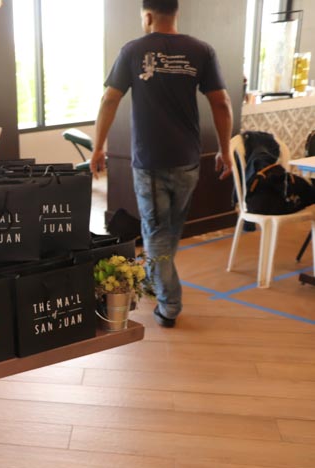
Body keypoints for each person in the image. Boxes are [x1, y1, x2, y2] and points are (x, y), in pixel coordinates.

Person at [90, 0, 233, 328]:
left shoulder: (132, 50)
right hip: (188, 161)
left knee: (156, 234)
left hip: (150, 162)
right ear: (176, 13)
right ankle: (160, 282)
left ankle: (169, 304)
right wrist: (225, 150)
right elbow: (222, 103)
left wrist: (98, 148)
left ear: (148, 16)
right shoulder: (201, 51)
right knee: (168, 233)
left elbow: (109, 99)